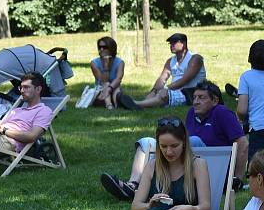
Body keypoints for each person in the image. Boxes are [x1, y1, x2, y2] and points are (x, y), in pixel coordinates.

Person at [100, 81, 248, 201]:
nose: (195, 102)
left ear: (215, 100)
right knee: (145, 142)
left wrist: (237, 179)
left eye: (201, 98)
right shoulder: (192, 113)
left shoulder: (222, 113)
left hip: (210, 170)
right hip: (186, 162)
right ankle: (133, 185)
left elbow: (243, 144)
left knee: (193, 141)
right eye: (195, 97)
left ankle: (155, 187)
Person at [117, 33, 206, 110]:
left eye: (174, 42)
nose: (171, 45)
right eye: (170, 43)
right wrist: (154, 90)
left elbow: (184, 80)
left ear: (184, 43)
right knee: (154, 93)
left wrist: (165, 89)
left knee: (164, 95)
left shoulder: (195, 58)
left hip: (191, 92)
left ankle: (135, 104)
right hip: (175, 91)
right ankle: (140, 104)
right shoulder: (170, 61)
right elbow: (162, 79)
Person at [90, 36, 125, 109]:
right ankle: (109, 104)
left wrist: (110, 88)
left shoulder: (120, 62)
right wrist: (106, 67)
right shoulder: (94, 63)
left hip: (114, 88)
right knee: (106, 83)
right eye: (99, 47)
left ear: (111, 48)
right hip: (100, 90)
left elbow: (118, 79)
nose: (101, 49)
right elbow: (102, 81)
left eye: (104, 47)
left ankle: (115, 105)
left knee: (116, 88)